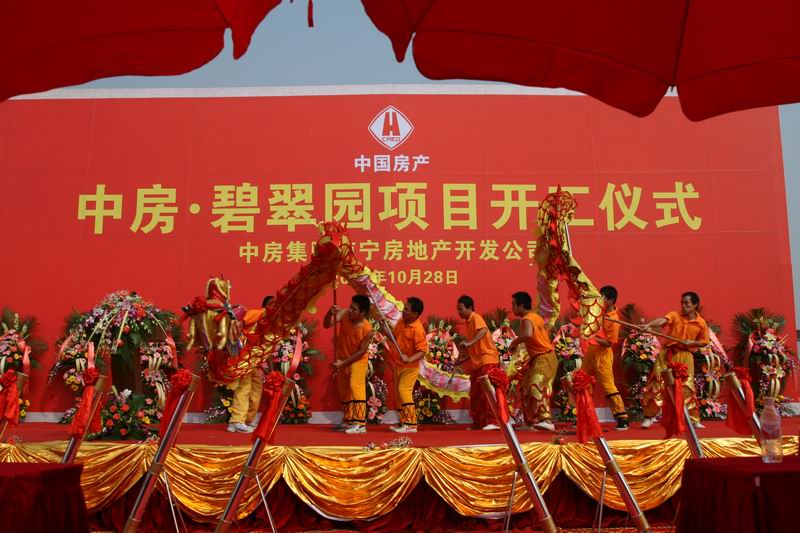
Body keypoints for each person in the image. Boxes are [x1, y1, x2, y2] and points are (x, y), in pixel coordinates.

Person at [641, 291, 709, 429]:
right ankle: (649, 417)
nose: (683, 306)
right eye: (682, 303)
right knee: (657, 383)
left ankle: (693, 419)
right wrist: (649, 325)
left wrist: (692, 342)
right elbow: (662, 320)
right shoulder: (675, 315)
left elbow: (704, 341)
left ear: (695, 305)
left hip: (685, 355)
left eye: (687, 303)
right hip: (667, 353)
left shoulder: (701, 323)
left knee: (687, 386)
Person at [507, 291, 558, 432]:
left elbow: (528, 335)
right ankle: (530, 422)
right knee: (525, 388)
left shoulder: (527, 319)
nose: (512, 308)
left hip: (544, 358)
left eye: (513, 305)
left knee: (536, 386)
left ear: (521, 306)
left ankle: (546, 419)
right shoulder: (536, 317)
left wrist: (514, 342)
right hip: (539, 358)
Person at [324, 294, 374, 435]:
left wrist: (343, 363)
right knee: (344, 391)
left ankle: (360, 424)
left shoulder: (367, 328)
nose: (350, 310)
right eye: (350, 307)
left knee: (356, 387)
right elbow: (327, 324)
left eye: (354, 309)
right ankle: (348, 420)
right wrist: (329, 313)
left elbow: (362, 351)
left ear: (362, 312)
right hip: (343, 360)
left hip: (358, 361)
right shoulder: (344, 313)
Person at [584, 286, 628, 430]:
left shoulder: (614, 319)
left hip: (603, 355)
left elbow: (609, 343)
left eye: (602, 297)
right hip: (591, 351)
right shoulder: (598, 311)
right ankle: (583, 415)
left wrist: (592, 336)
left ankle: (622, 417)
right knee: (583, 381)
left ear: (610, 300)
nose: (599, 300)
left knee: (608, 385)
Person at [228, 295, 273, 433]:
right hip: (244, 359)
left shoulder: (271, 323)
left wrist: (270, 368)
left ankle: (248, 420)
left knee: (256, 391)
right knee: (244, 388)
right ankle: (236, 421)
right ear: (265, 306)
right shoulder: (257, 313)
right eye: (272, 304)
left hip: (257, 362)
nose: (275, 307)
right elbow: (238, 326)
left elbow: (269, 347)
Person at [456, 295, 501, 430]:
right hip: (478, 363)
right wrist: (461, 360)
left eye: (461, 309)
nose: (459, 312)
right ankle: (479, 423)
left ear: (470, 308)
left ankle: (493, 421)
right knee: (475, 394)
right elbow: (473, 349)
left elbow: (483, 331)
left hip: (487, 360)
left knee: (487, 392)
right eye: (458, 309)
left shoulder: (475, 317)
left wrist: (469, 343)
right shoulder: (469, 323)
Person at [385, 297, 428, 433]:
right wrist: (383, 327)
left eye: (406, 309)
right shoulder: (401, 322)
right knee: (398, 394)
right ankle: (403, 422)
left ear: (415, 314)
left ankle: (411, 424)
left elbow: (422, 351)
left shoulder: (418, 329)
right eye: (404, 308)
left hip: (410, 367)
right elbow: (394, 338)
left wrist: (409, 359)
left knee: (403, 391)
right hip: (398, 364)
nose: (403, 311)